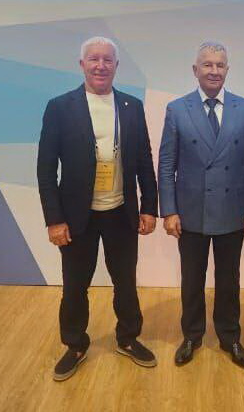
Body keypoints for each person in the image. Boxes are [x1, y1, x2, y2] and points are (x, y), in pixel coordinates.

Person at [37, 36, 158, 381]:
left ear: (116, 66)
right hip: (78, 217)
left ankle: (128, 338)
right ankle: (75, 344)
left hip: (121, 212)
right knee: (75, 285)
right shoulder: (60, 107)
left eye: (107, 60)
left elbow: (144, 160)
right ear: (82, 64)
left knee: (125, 282)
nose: (101, 66)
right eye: (94, 59)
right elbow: (46, 168)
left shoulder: (132, 106)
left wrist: (149, 207)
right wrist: (54, 220)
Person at [158, 42, 244, 369]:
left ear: (227, 70)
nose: (214, 71)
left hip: (233, 208)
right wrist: (169, 210)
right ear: (196, 70)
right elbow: (166, 164)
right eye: (207, 64)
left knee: (229, 279)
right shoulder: (177, 109)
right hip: (191, 210)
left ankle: (230, 337)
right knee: (192, 279)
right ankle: (192, 335)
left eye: (220, 65)